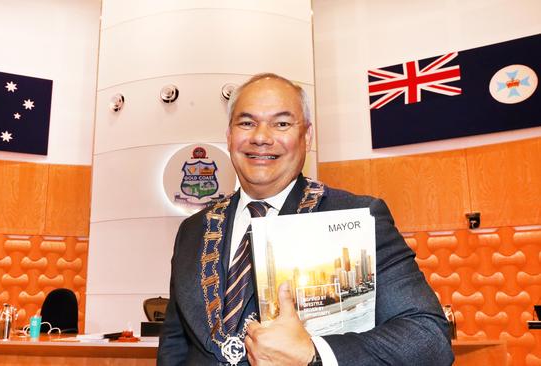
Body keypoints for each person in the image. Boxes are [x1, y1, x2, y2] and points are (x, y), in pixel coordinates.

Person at [158, 73, 453, 365]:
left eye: (282, 124)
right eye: (246, 123)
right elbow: (175, 344)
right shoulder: (194, 229)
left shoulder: (356, 216)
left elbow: (428, 338)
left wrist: (314, 354)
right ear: (229, 135)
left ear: (307, 136)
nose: (261, 137)